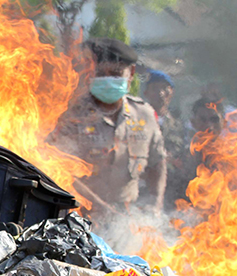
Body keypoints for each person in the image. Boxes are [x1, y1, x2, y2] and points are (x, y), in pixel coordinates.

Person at [52, 38, 167, 224]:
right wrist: (99, 207)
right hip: (79, 218)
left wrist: (155, 204)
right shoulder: (71, 114)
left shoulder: (144, 114)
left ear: (131, 74)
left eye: (115, 74)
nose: (107, 80)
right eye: (100, 73)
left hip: (127, 219)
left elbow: (157, 163)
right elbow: (58, 168)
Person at [142, 69, 190, 211]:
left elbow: (182, 153)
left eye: (165, 89)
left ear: (172, 93)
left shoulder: (178, 125)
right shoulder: (138, 121)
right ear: (146, 93)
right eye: (155, 88)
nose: (161, 93)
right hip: (144, 183)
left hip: (172, 186)